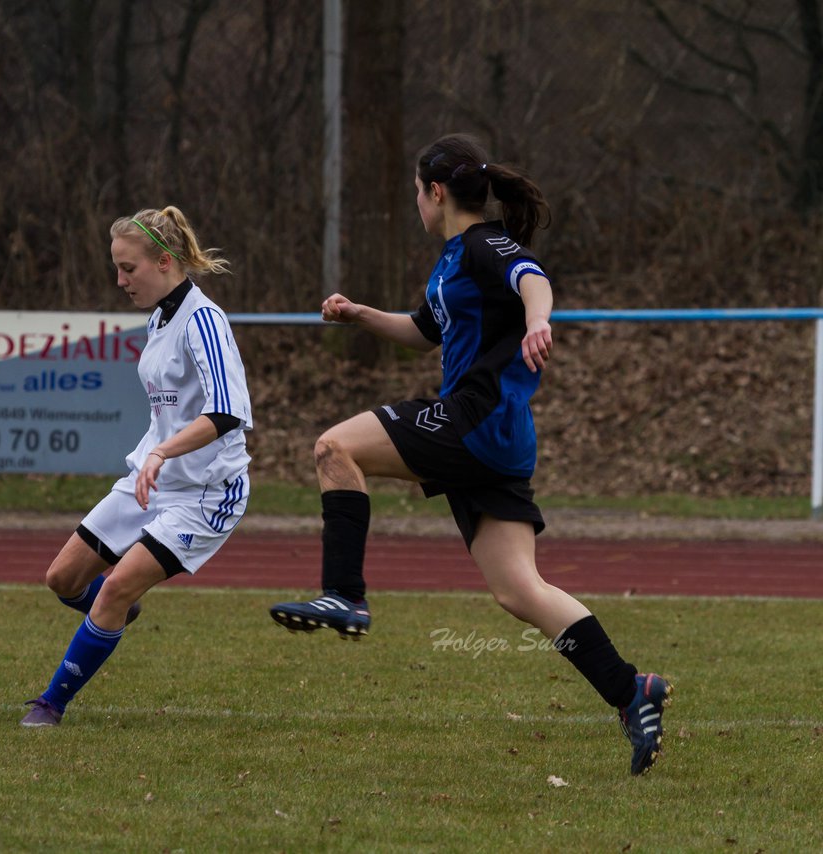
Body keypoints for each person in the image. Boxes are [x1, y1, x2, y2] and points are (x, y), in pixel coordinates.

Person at [268, 134, 672, 775]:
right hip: (498, 438)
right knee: (520, 590)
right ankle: (631, 691)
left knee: (334, 447)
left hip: (474, 421)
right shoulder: (452, 263)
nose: (416, 207)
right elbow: (424, 333)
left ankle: (344, 594)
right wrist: (360, 314)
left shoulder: (483, 245)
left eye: (415, 195)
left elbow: (531, 278)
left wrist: (540, 321)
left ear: (434, 192)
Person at [20, 206, 253, 727]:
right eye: (117, 267)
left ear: (165, 262)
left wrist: (163, 452)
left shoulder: (204, 321)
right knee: (63, 578)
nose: (119, 280)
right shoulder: (158, 317)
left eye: (129, 268)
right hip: (152, 480)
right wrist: (155, 455)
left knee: (119, 585)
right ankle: (112, 613)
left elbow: (227, 412)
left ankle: (50, 704)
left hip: (206, 494)